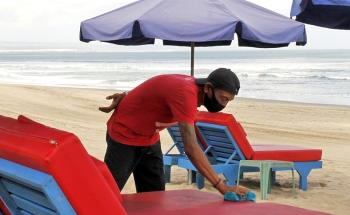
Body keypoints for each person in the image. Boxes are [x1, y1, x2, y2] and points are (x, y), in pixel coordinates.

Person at [99, 67, 249, 198]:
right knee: (107, 193)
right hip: (125, 134)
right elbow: (190, 147)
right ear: (208, 87)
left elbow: (159, 86)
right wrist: (221, 187)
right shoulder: (186, 94)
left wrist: (126, 93)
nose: (223, 104)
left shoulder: (191, 89)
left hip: (149, 138)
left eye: (228, 101)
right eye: (222, 98)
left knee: (154, 197)